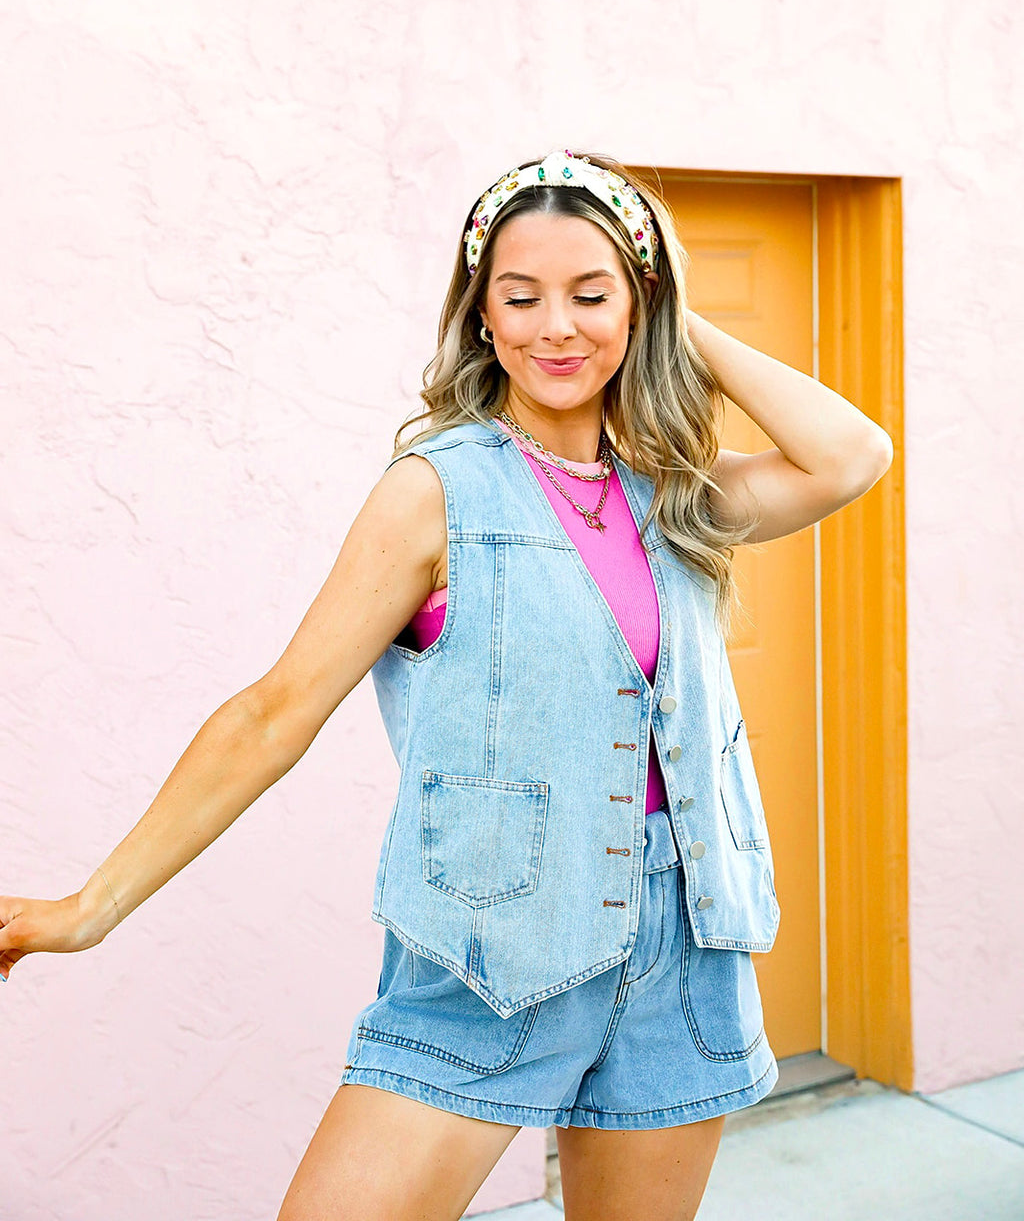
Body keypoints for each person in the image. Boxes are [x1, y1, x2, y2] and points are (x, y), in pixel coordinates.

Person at [0, 148, 893, 1221]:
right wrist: (90, 908)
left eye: (590, 294)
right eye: (520, 297)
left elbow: (850, 455)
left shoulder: (668, 490)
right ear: (479, 315)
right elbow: (274, 713)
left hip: (684, 947)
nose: (554, 328)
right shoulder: (435, 491)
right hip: (494, 944)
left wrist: (667, 316)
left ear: (639, 303)